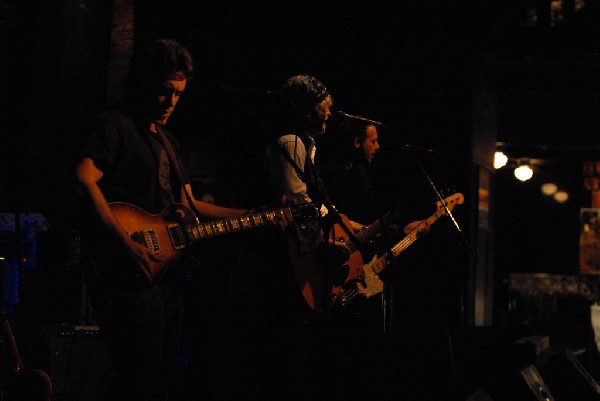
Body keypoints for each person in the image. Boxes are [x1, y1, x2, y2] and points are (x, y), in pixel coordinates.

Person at [73, 38, 287, 401]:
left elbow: (190, 204)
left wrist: (255, 215)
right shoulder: (112, 125)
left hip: (166, 279)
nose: (170, 103)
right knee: (136, 380)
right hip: (129, 274)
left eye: (178, 94)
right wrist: (125, 245)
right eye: (163, 92)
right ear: (141, 81)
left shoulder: (168, 140)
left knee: (160, 378)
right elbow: (82, 180)